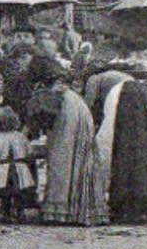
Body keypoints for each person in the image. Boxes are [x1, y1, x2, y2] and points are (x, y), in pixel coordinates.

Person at [33, 71, 107, 227]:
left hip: (68, 129)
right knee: (77, 163)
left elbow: (49, 117)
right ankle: (77, 209)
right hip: (78, 126)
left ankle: (61, 211)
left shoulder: (58, 94)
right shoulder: (73, 97)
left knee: (62, 164)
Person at [89, 72, 147, 225]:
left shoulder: (94, 80)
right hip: (134, 116)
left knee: (121, 160)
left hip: (121, 104)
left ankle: (122, 207)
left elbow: (91, 104)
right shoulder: (134, 85)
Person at [0, 107, 36, 223]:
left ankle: (5, 213)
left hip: (2, 169)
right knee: (19, 193)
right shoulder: (21, 137)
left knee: (5, 194)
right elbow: (30, 153)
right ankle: (20, 212)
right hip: (20, 168)